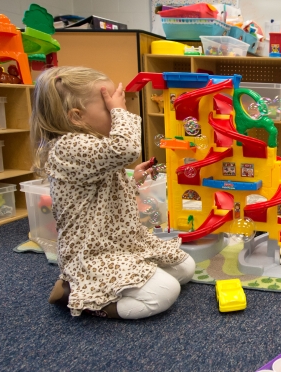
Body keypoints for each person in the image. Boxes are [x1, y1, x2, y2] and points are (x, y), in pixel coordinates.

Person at [31, 66, 195, 319]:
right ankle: (78, 296)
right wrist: (121, 112)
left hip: (122, 242)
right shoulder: (68, 146)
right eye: (108, 108)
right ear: (77, 116)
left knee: (185, 268)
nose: (118, 114)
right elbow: (127, 149)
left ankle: (125, 280)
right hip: (94, 253)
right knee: (166, 292)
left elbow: (100, 198)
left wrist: (133, 181)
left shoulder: (92, 145)